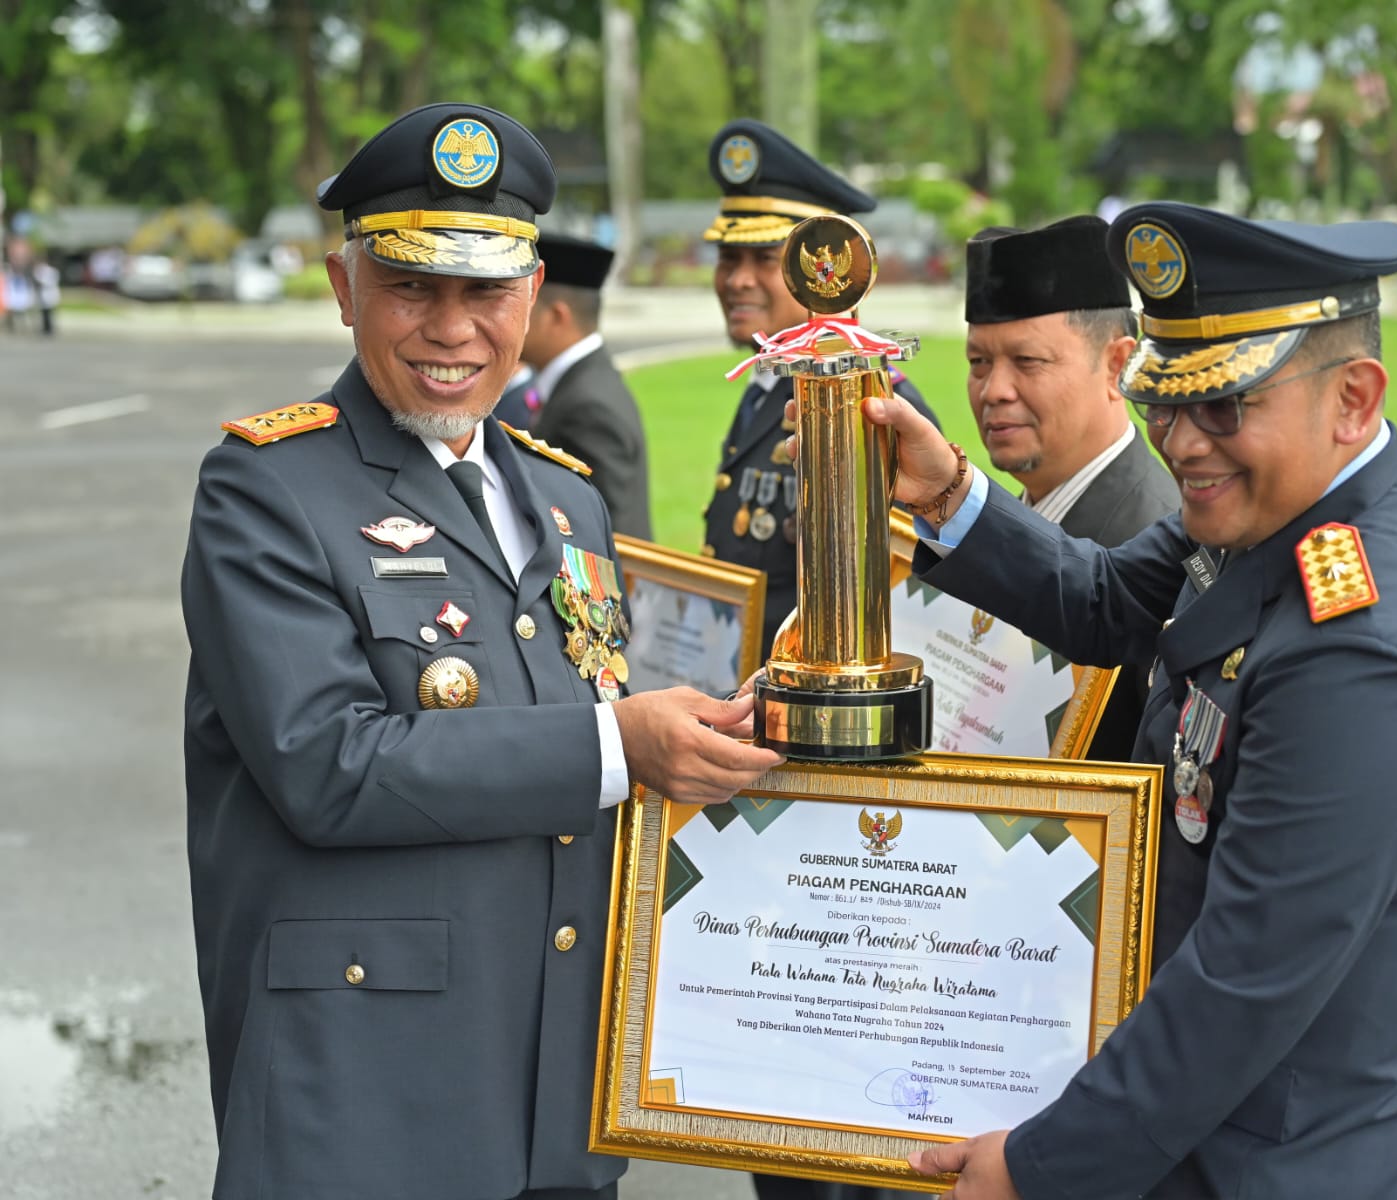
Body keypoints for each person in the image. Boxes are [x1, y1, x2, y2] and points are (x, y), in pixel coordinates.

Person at [180, 102, 782, 1200]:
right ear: (343, 286)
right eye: (412, 286)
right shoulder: (265, 492)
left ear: (533, 292)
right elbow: (329, 766)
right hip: (365, 1099)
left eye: (485, 292)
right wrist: (620, 746)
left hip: (553, 1091)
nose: (452, 329)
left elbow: (588, 740)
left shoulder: (565, 497)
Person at [863, 202, 1397, 1198]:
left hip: (1294, 1164)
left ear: (1353, 400)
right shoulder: (1272, 502)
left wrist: (1032, 1170)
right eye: (1163, 401)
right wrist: (947, 491)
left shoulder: (1361, 654)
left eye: (1223, 405)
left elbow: (1242, 986)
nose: (1179, 442)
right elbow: (1105, 599)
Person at [700, 118, 940, 657]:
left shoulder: (872, 401)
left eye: (763, 259)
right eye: (726, 258)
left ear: (821, 270)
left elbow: (901, 598)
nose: (736, 279)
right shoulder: (768, 380)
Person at [963, 216, 1178, 760]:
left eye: (1028, 361)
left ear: (1117, 365)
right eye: (978, 362)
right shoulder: (1014, 515)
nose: (994, 390)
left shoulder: (1150, 540)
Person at [492, 232, 651, 539]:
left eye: (520, 308)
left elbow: (605, 534)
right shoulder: (582, 383)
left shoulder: (588, 406)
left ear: (556, 316)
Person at [34, 258, 60, 336]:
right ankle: (45, 328)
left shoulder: (51, 271)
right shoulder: (39, 271)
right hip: (43, 295)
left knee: (49, 313)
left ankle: (50, 329)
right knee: (44, 314)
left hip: (49, 294)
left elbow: (48, 282)